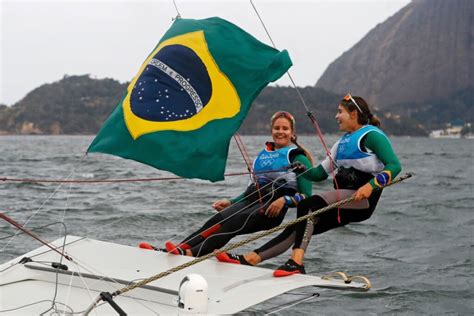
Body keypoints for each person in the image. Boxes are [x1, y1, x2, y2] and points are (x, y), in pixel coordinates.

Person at [217, 94, 402, 276]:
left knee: (308, 205)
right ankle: (251, 259)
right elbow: (318, 174)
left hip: (363, 200)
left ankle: (296, 262)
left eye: (340, 112)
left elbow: (395, 166)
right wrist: (300, 168)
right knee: (297, 225)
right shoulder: (341, 143)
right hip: (344, 201)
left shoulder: (372, 136)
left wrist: (371, 186)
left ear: (353, 114)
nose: (336, 116)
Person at [142, 111, 314, 257]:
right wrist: (232, 202)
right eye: (277, 128)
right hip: (250, 201)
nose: (280, 132)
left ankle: (189, 255)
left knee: (232, 223)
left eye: (285, 128)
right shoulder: (261, 157)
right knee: (218, 219)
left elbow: (307, 196)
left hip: (271, 211)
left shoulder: (298, 157)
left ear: (292, 133)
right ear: (271, 131)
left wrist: (285, 200)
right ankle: (178, 250)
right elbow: (250, 190)